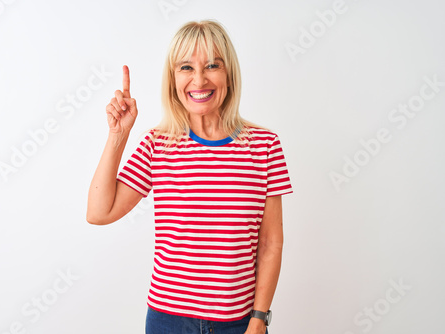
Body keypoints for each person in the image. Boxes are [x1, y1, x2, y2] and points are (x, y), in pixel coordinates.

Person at [87, 19, 293, 334]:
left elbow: (270, 243)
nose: (199, 80)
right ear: (173, 78)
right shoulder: (158, 144)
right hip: (167, 321)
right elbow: (99, 213)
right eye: (186, 67)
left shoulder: (264, 146)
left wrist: (258, 319)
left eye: (212, 65)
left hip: (238, 323)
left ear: (229, 74)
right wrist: (118, 134)